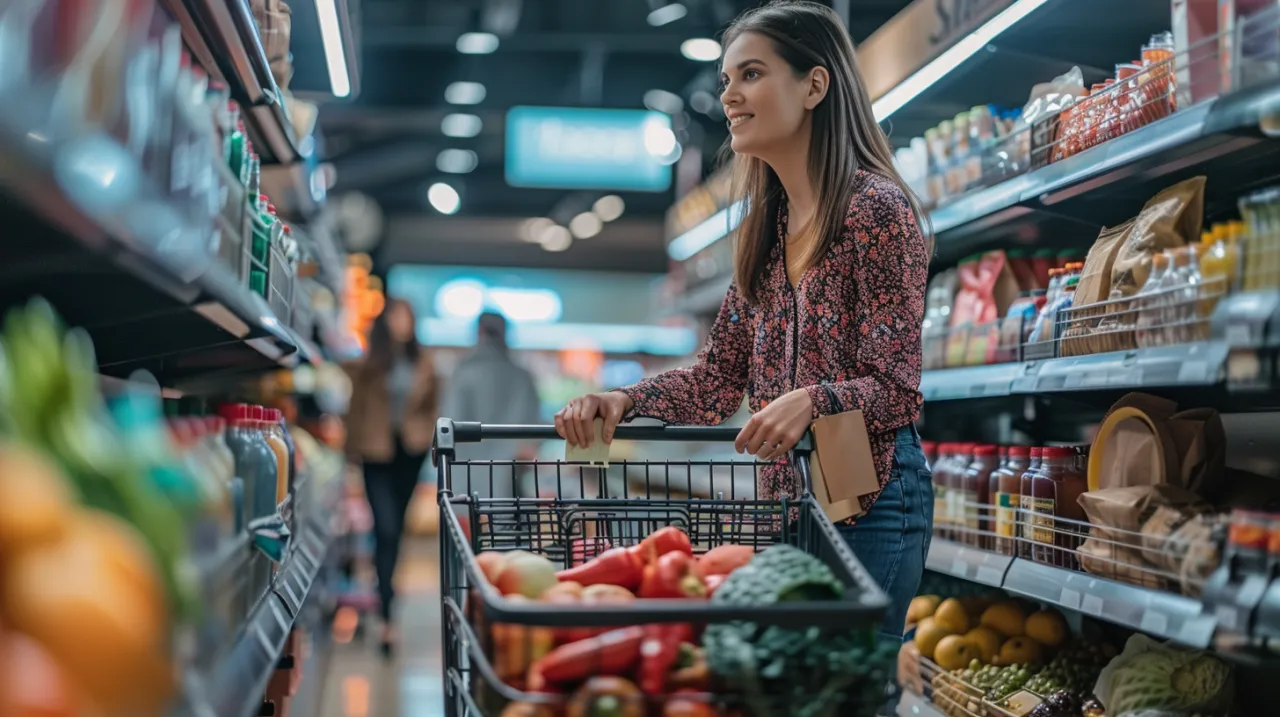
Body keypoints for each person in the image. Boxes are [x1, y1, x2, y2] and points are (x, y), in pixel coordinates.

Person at [554, 0, 932, 642]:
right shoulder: (770, 227)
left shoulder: (876, 210)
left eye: (751, 74)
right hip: (791, 504)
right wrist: (622, 400)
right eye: (728, 79)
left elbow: (898, 388)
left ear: (814, 85)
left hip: (870, 498)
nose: (729, 94)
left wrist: (813, 401)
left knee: (848, 697)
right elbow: (718, 380)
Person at [345, 297, 438, 657]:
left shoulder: (424, 362)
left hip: (409, 453)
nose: (402, 322)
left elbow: (433, 406)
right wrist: (350, 450)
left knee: (395, 528)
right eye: (396, 316)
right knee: (383, 527)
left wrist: (427, 436)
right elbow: (356, 409)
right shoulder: (370, 363)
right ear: (385, 321)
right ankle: (386, 611)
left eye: (407, 316)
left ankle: (386, 604)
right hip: (375, 453)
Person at [441, 312, 543, 498]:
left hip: (464, 474)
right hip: (508, 476)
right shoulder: (522, 377)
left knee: (466, 522)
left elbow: (449, 423)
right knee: (503, 522)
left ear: (479, 333)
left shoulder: (462, 374)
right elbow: (533, 429)